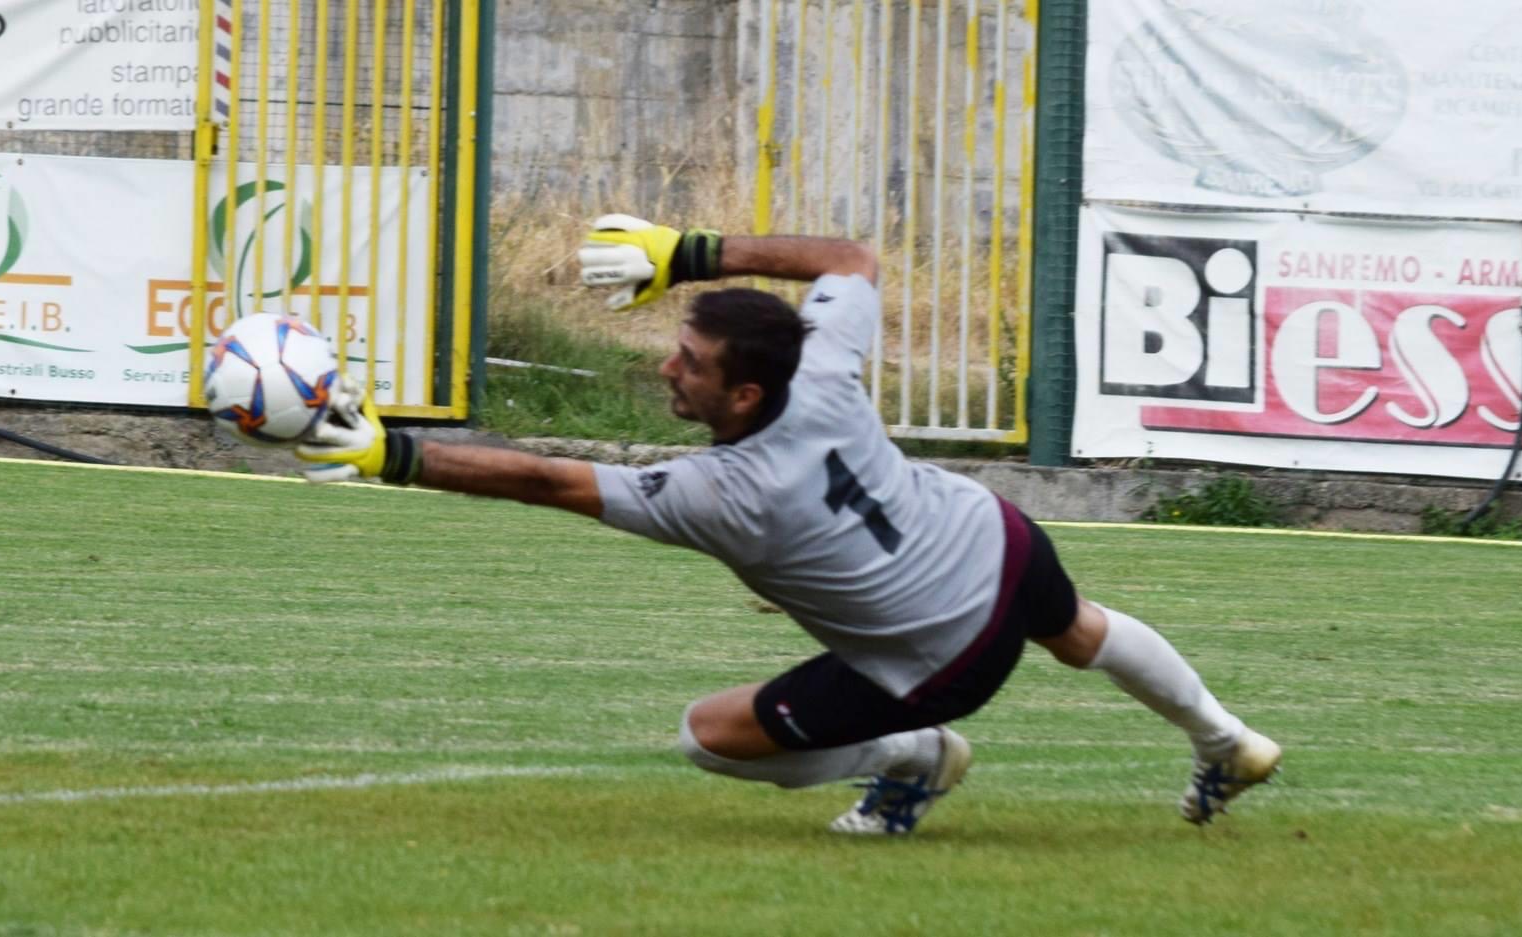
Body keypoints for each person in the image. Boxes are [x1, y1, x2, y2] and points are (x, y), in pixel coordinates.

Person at [294, 214, 1281, 835]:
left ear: (745, 389)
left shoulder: (722, 495)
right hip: (1001, 539)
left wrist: (400, 455)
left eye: (688, 360)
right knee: (1079, 631)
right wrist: (688, 253)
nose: (667, 367)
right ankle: (1225, 736)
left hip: (942, 660)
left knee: (707, 738)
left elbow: (552, 482)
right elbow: (851, 258)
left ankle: (914, 758)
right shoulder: (822, 364)